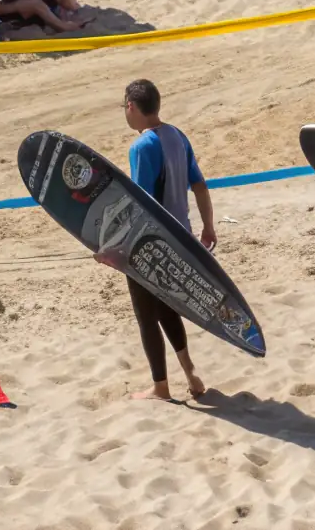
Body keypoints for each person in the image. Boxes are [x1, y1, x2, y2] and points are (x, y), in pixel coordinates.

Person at [121, 78, 215, 400]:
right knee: (166, 308)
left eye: (125, 107)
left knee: (146, 314)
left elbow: (142, 205)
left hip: (153, 243)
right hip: (182, 239)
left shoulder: (142, 146)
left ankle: (161, 387)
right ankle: (190, 373)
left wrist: (115, 248)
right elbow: (199, 185)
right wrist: (208, 227)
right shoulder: (177, 136)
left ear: (132, 107)